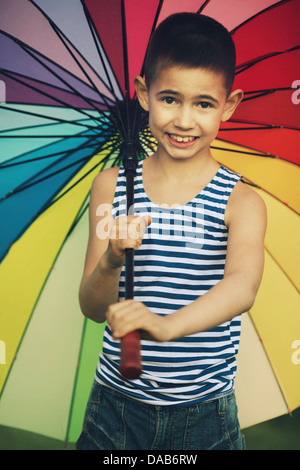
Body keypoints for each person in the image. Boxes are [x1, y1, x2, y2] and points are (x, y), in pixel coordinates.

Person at [76, 13, 267, 450]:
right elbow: (91, 306)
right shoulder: (110, 186)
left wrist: (164, 326)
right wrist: (112, 259)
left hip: (204, 416)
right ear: (143, 93)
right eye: (169, 99)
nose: (184, 120)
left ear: (230, 104)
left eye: (203, 104)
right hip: (116, 407)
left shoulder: (240, 201)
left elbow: (242, 287)